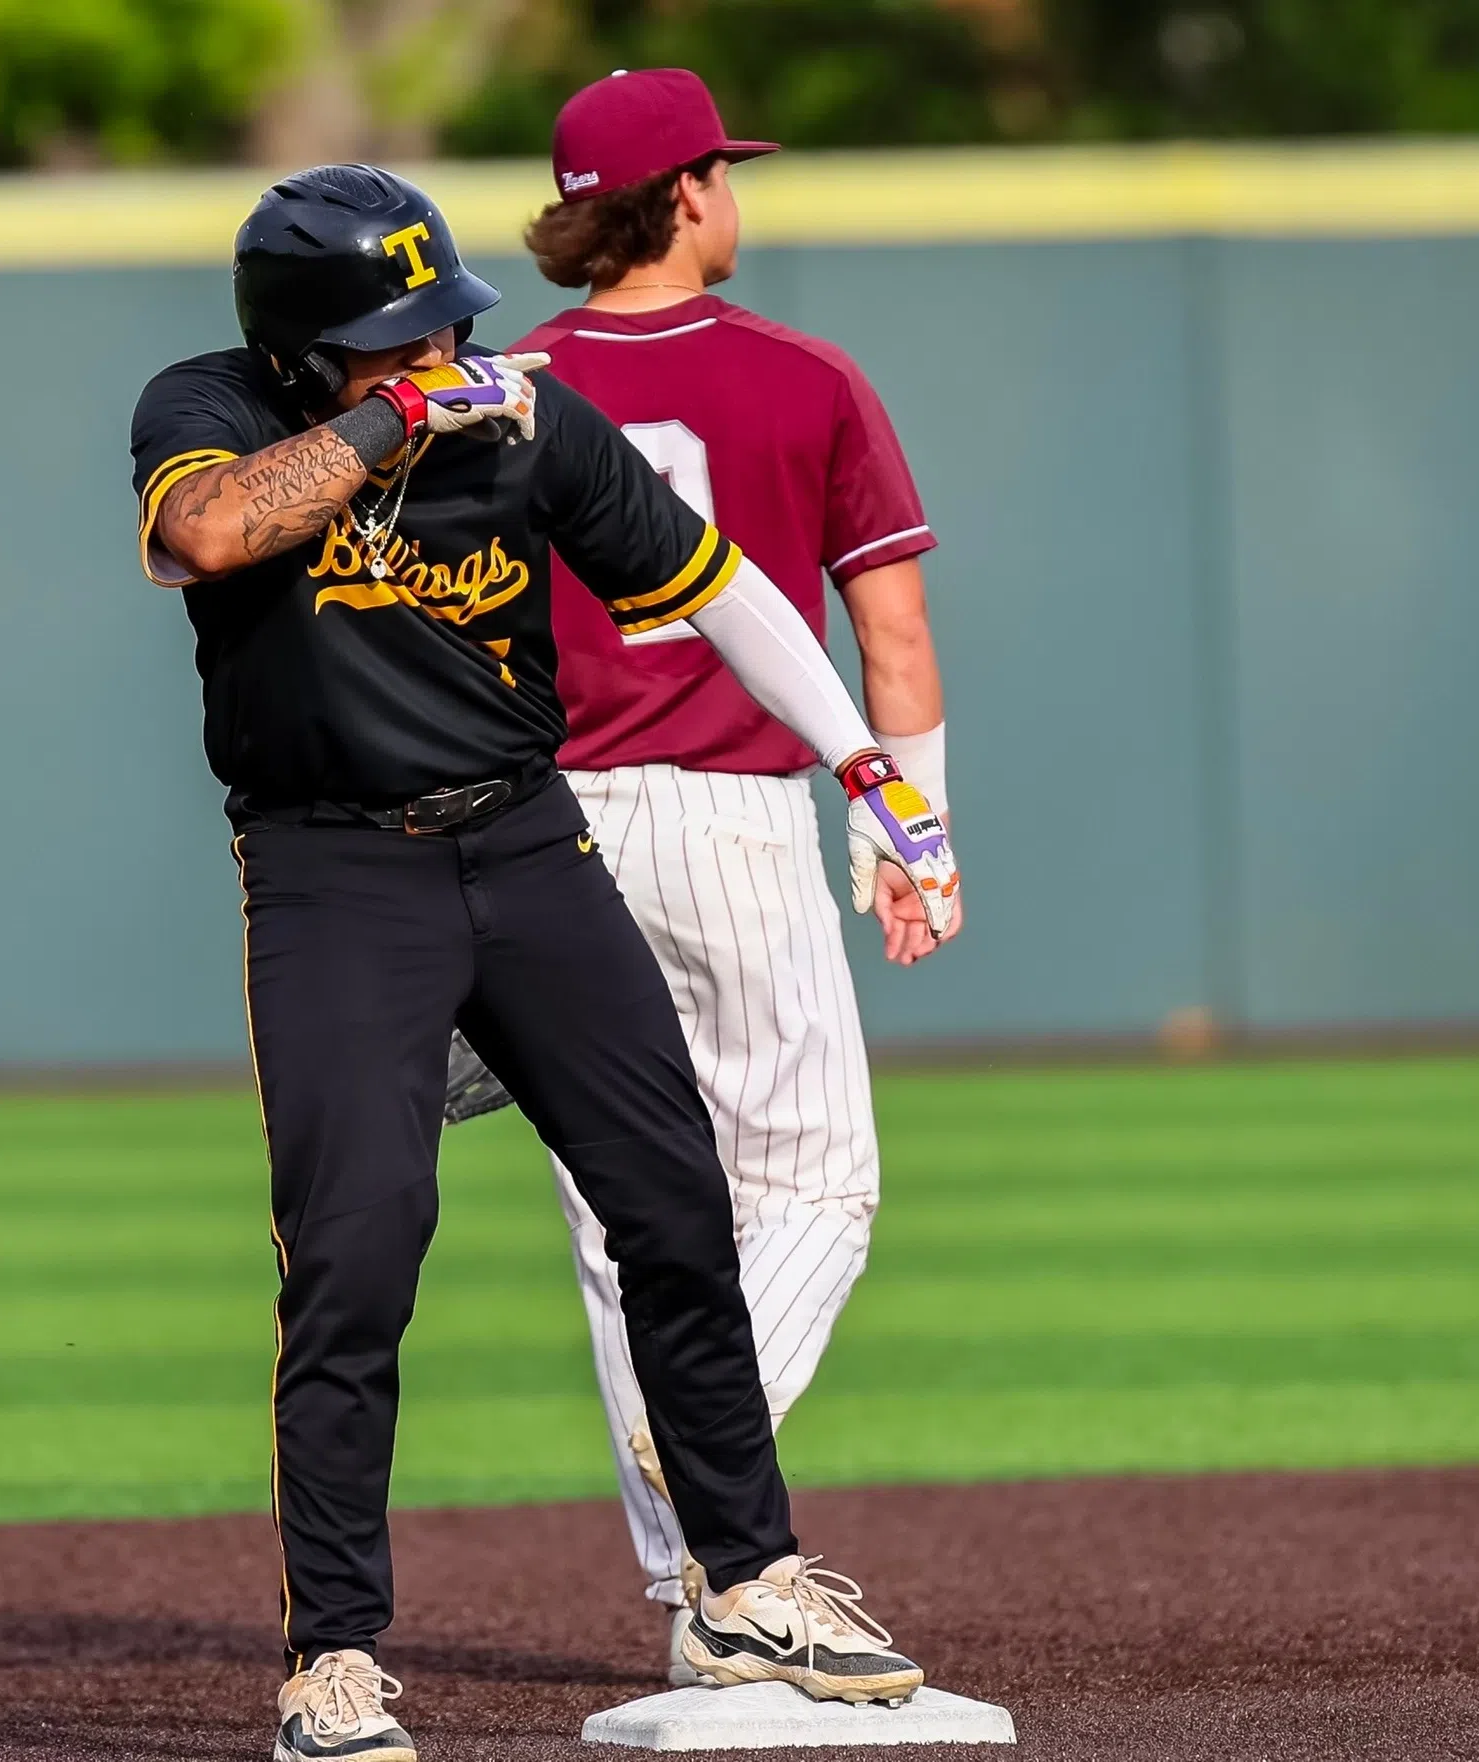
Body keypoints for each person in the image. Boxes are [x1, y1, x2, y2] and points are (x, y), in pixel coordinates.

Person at [128, 164, 958, 1762]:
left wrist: (866, 765)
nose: (432, 347)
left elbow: (719, 587)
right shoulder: (210, 402)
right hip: (332, 871)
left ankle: (746, 1574)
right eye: (391, 331)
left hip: (526, 843)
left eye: (441, 318)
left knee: (673, 1197)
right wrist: (393, 420)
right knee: (357, 1254)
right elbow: (211, 534)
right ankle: (336, 1658)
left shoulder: (524, 416)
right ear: (296, 346)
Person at [504, 68, 964, 1685]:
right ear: (685, 194)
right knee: (818, 1180)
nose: (732, 193)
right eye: (721, 170)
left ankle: (696, 1593)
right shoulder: (798, 375)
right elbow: (885, 629)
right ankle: (701, 1436)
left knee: (615, 1202)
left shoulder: (502, 383)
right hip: (732, 811)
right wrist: (910, 828)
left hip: (539, 823)